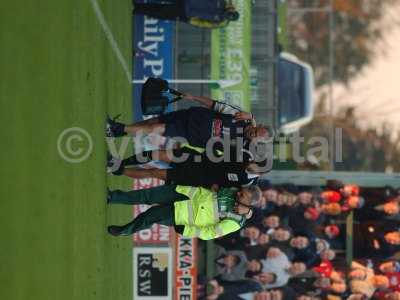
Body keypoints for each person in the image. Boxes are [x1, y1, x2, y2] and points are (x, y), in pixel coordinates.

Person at [106, 93, 270, 153]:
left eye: (256, 137)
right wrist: (193, 97)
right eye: (255, 131)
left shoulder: (242, 148)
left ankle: (116, 127)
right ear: (258, 125)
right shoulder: (240, 116)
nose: (252, 134)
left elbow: (251, 162)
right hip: (192, 116)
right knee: (153, 122)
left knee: (157, 128)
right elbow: (215, 105)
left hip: (191, 135)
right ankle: (119, 131)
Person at [107, 184, 262, 240]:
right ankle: (112, 196)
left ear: (249, 204)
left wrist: (188, 230)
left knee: (149, 216)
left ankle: (124, 231)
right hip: (185, 193)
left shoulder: (236, 222)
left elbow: (211, 233)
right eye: (242, 191)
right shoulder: (237, 191)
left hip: (183, 215)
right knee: (147, 195)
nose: (238, 193)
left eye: (243, 195)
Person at [107, 145, 269, 188]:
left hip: (198, 178)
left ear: (259, 174)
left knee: (154, 172)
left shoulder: (246, 183)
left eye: (255, 167)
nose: (250, 164)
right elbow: (223, 146)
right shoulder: (245, 155)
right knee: (158, 154)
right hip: (197, 160)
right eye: (254, 162)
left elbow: (226, 191)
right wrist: (210, 151)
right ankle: (118, 163)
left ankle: (118, 170)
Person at [132, 0, 240, 29]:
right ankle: (137, 4)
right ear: (231, 9)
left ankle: (138, 9)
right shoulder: (222, 2)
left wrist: (190, 20)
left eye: (228, 17)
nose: (226, 15)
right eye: (229, 13)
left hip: (185, 13)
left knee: (161, 11)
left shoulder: (220, 21)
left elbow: (203, 24)